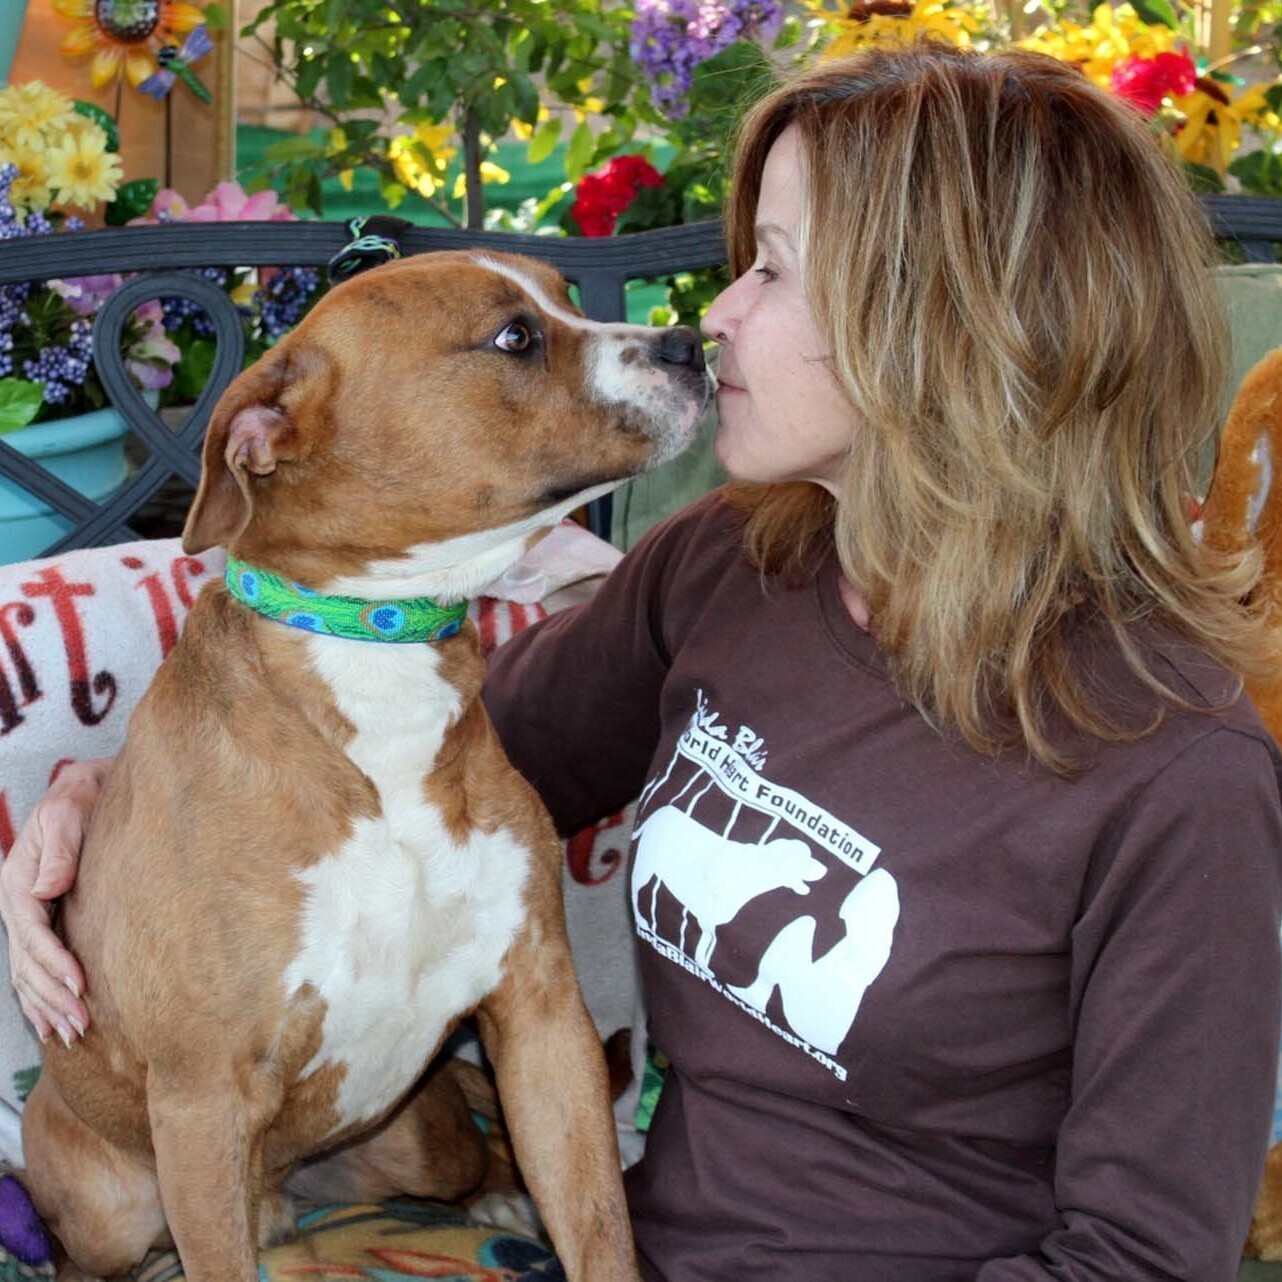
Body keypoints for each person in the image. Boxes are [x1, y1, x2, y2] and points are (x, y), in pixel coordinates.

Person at [4, 40, 1282, 1282]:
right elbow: (411, 789)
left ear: (948, 330)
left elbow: (1140, 1255)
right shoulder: (730, 568)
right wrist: (106, 808)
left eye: (772, 273)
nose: (715, 315)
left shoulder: (1177, 770)